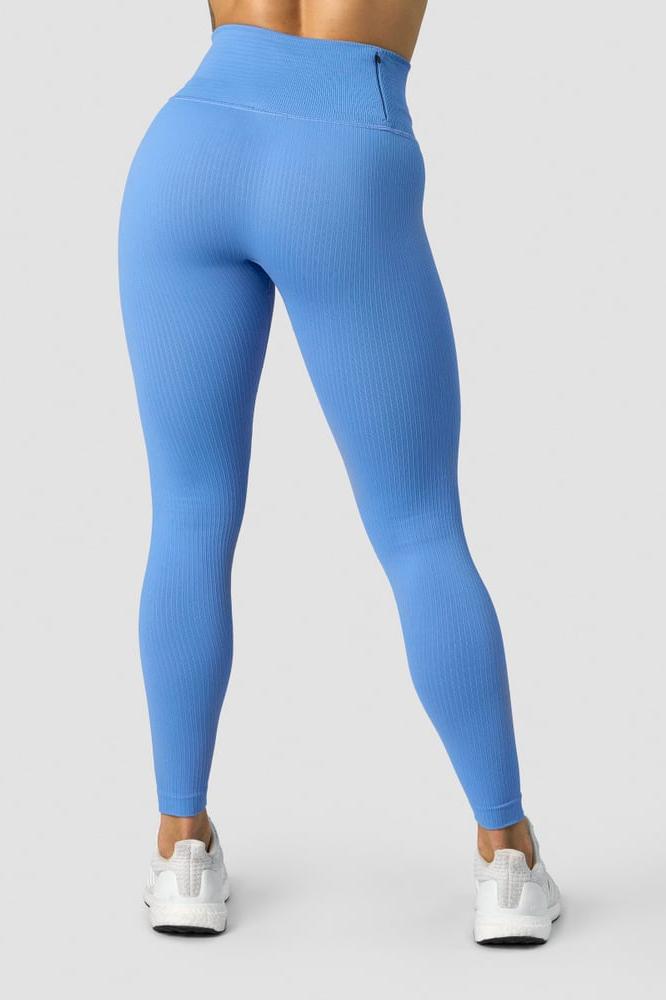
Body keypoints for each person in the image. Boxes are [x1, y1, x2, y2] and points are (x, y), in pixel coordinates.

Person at [119, 0, 560, 942]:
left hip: (187, 151)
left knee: (188, 514)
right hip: (343, 151)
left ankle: (181, 848)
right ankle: (508, 859)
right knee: (420, 527)